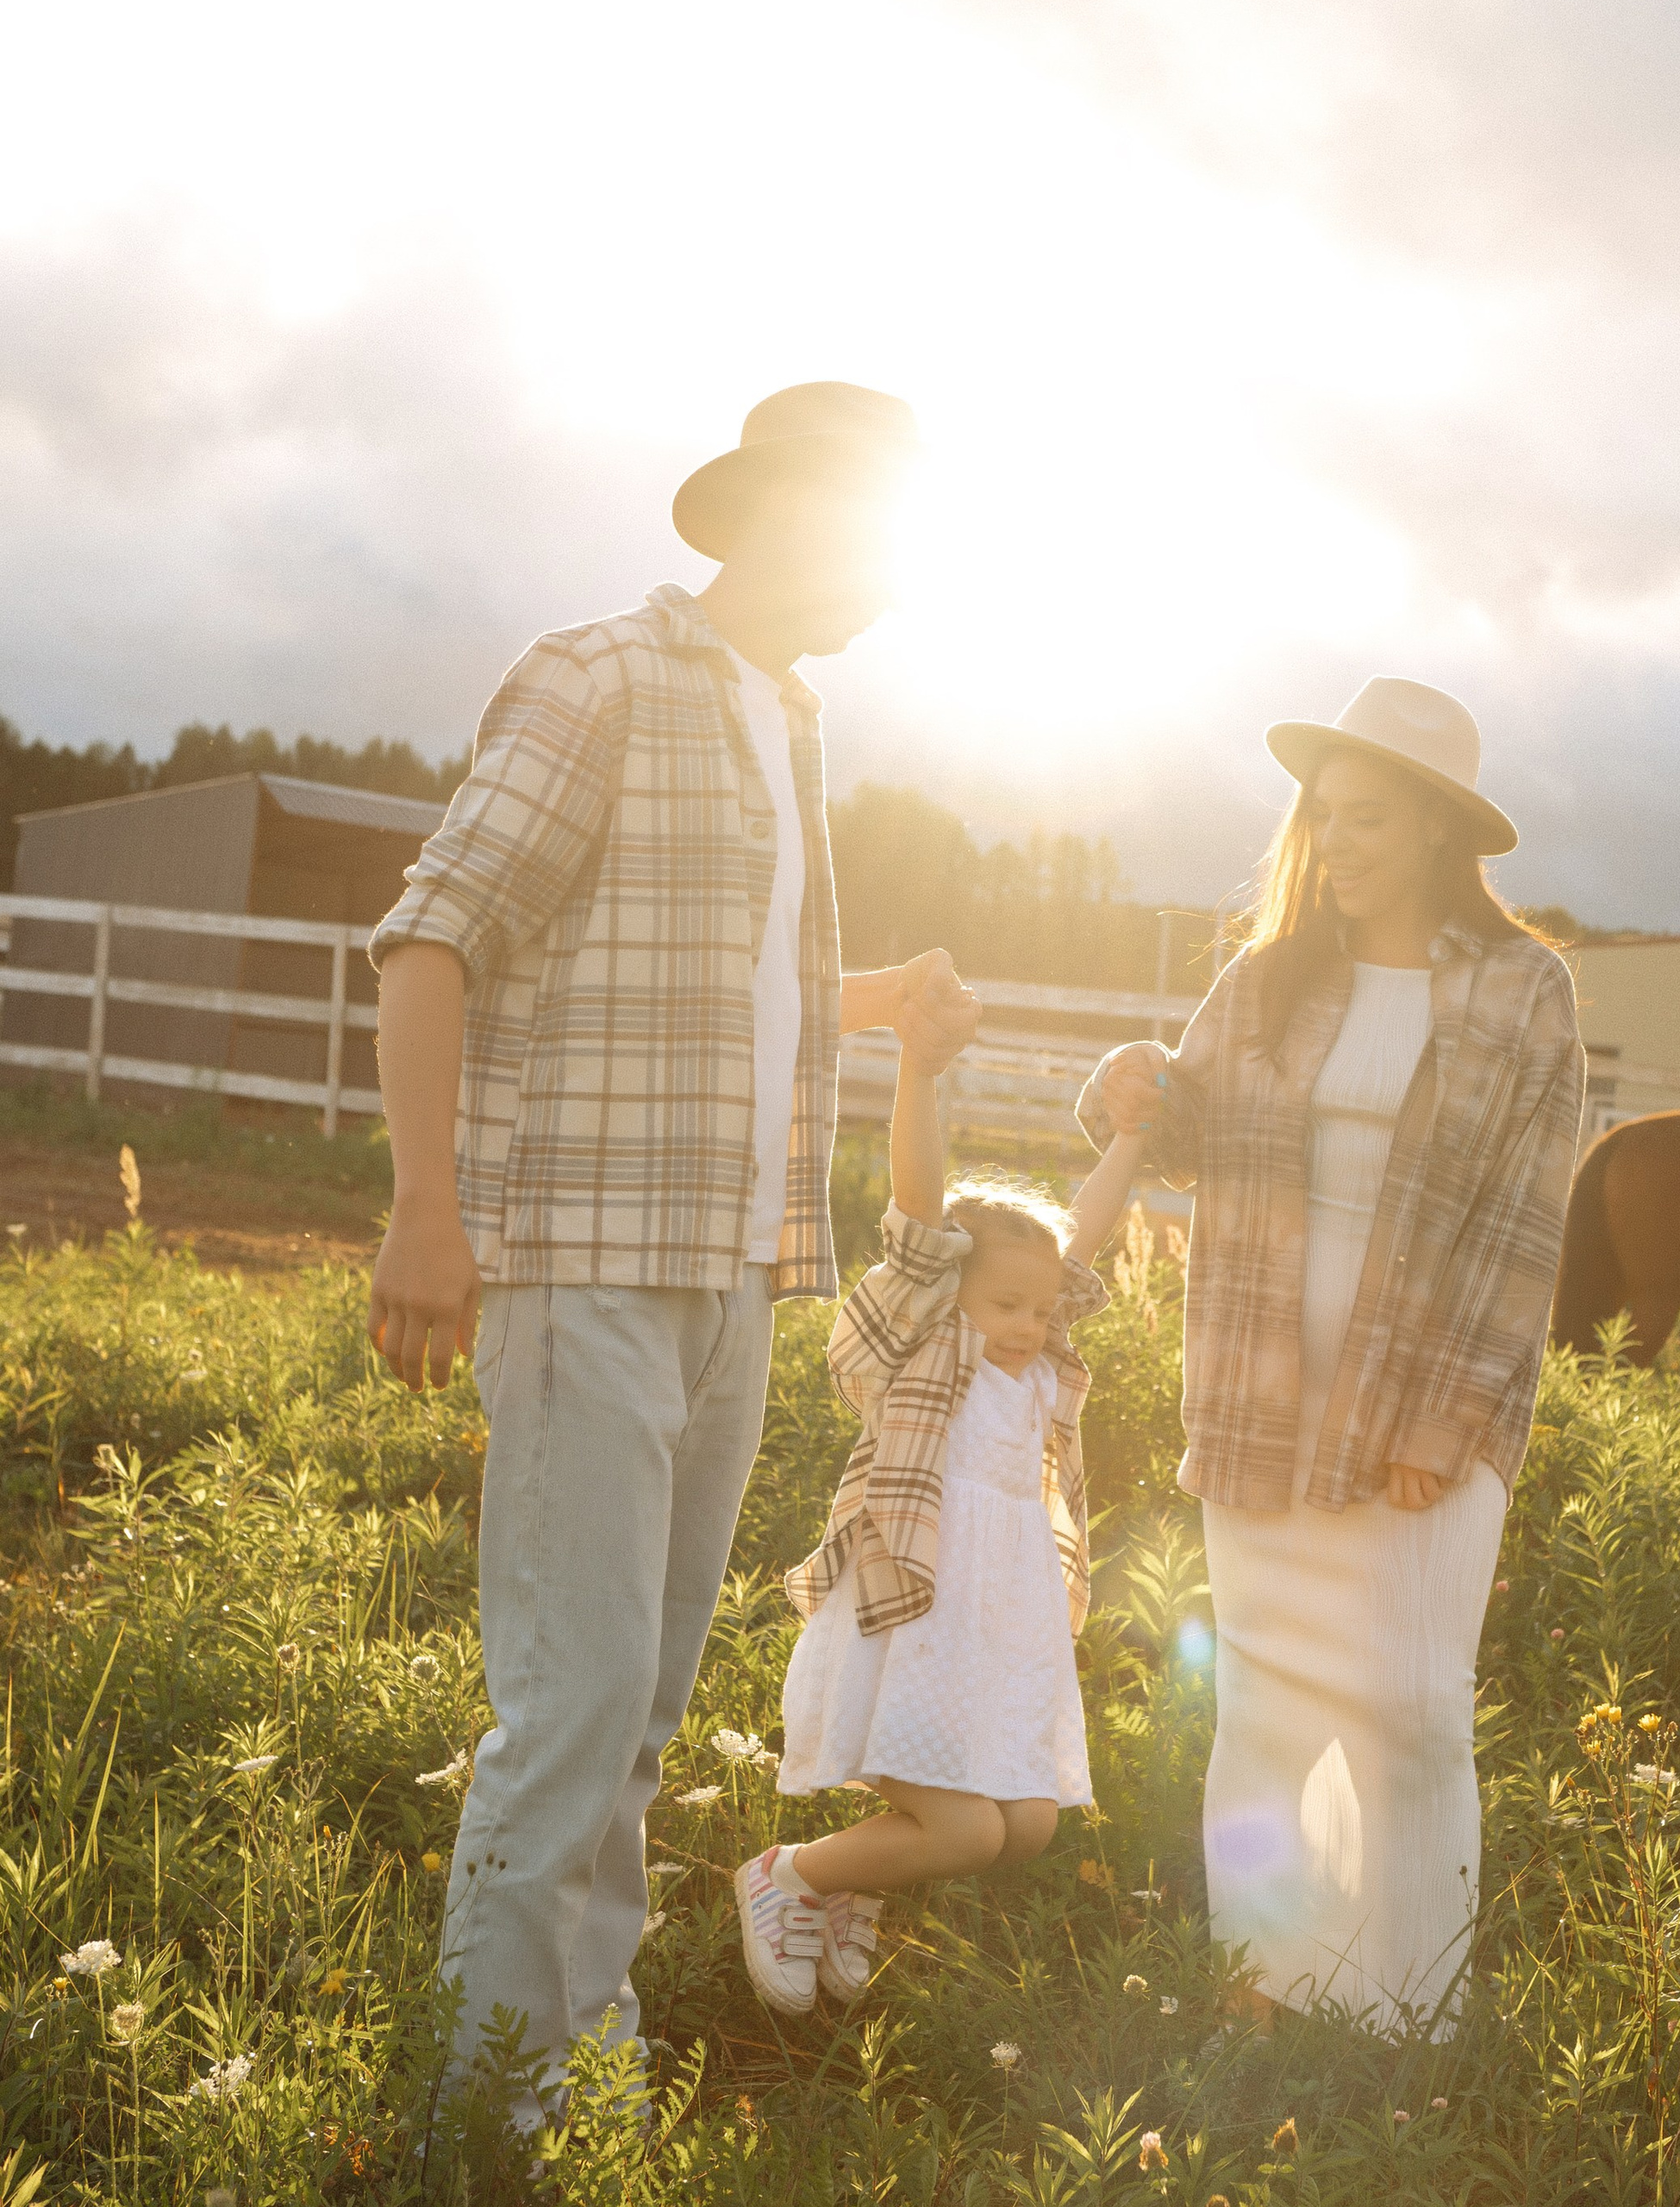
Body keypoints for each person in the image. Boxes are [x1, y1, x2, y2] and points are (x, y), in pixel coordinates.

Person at [364, 383, 982, 2116]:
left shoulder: (786, 717)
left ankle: (582, 2053)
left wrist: (876, 1002)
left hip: (732, 1275)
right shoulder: (603, 677)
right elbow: (433, 936)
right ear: (784, 511)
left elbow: (717, 979)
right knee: (568, 1708)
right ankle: (489, 2106)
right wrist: (430, 1207)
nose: (890, 584)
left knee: (636, 1706)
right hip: (578, 1260)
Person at [1084, 677, 1585, 2031]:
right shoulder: (1269, 977)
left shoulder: (1525, 992)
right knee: (1265, 1700)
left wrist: (1452, 1414)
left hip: (1427, 1398)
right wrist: (1124, 1083)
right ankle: (1277, 1986)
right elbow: (1181, 1124)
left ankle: (1412, 2014)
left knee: (1412, 1708)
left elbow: (1528, 1222)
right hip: (1261, 1385)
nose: (1337, 840)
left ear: (1437, 830)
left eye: (1369, 817)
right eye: (1325, 814)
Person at [739, 1016, 1148, 2014]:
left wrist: (1134, 1133)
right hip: (912, 1615)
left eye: (1041, 1309)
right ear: (950, 1291)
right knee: (966, 1832)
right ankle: (787, 1876)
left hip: (994, 1633)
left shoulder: (1042, 1371)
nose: (1027, 1324)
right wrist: (920, 1067)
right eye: (1006, 1303)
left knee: (1029, 1823)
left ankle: (854, 1877)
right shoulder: (930, 1346)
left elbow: (1078, 1237)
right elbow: (918, 1206)